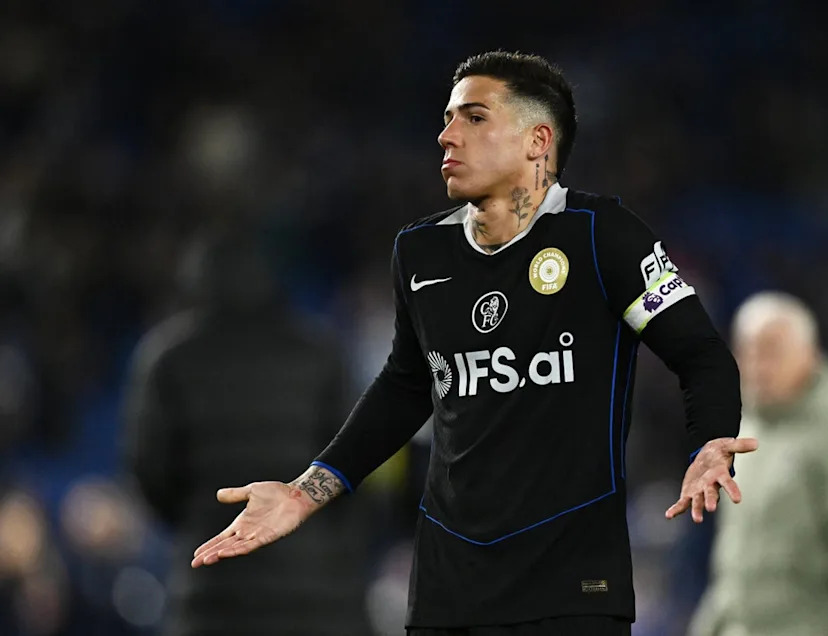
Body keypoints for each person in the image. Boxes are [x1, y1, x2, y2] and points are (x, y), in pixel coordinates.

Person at [191, 52, 758, 635]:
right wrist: (304, 492)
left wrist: (710, 442)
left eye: (473, 117)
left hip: (571, 585)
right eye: (446, 117)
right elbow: (408, 387)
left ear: (538, 141)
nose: (446, 134)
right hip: (448, 588)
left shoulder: (603, 236)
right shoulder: (420, 253)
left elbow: (700, 352)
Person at [124, 231, 373, 636]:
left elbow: (151, 474)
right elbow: (358, 466)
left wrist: (202, 520)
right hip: (319, 594)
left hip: (213, 593)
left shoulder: (168, 358)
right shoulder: (322, 352)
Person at [689, 292, 828, 636]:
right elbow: (735, 569)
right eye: (749, 352)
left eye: (772, 351)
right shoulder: (743, 436)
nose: (758, 366)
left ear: (809, 355)